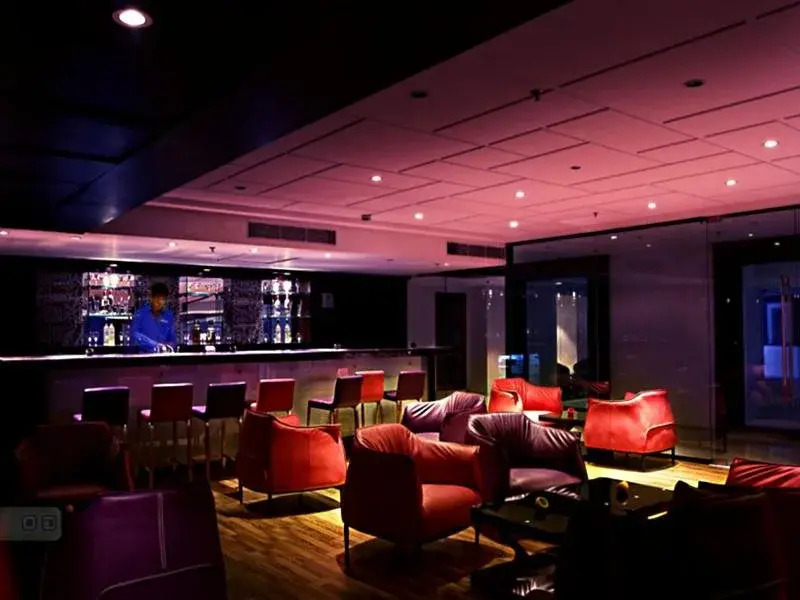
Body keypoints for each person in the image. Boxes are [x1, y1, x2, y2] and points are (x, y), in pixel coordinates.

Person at [131, 282, 176, 352]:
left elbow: (173, 340)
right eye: (157, 298)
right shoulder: (140, 314)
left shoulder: (169, 316)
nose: (159, 302)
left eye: (162, 299)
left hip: (164, 355)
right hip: (144, 356)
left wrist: (168, 347)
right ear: (151, 298)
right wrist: (155, 345)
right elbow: (135, 334)